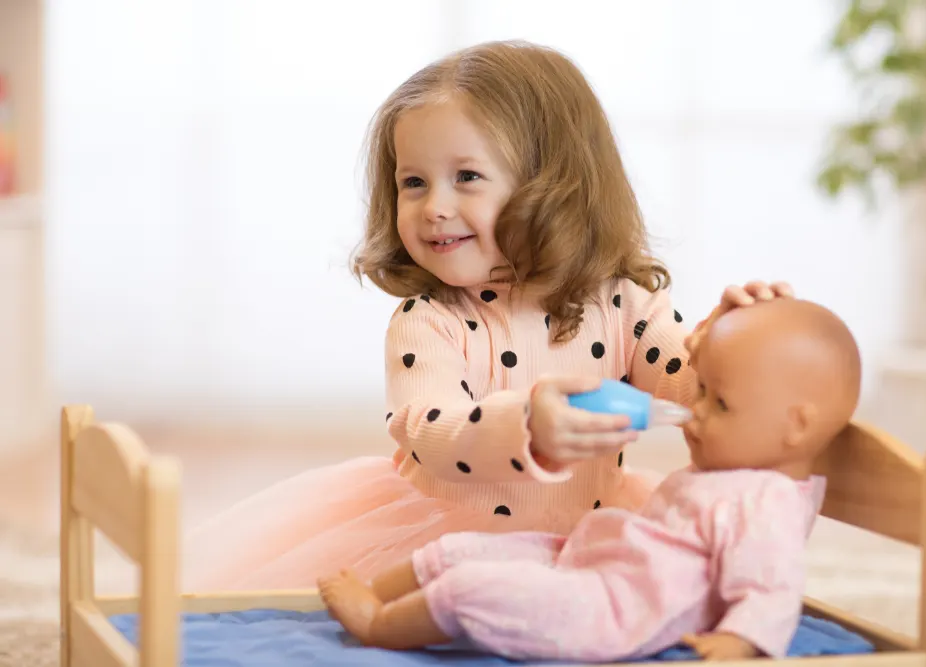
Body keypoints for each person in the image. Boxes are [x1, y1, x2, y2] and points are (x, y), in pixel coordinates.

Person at [181, 39, 793, 591]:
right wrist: (527, 425)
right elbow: (427, 428)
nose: (433, 208)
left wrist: (741, 340)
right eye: (413, 183)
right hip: (453, 546)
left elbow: (688, 383)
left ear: (555, 185)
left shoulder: (622, 301)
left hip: (592, 531)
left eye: (466, 177)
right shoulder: (429, 320)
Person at [318, 298, 862, 662]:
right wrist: (717, 343)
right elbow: (423, 421)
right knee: (459, 550)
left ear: (795, 427)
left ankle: (378, 626)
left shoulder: (764, 502)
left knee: (474, 588)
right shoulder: (739, 472)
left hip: (614, 608)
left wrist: (739, 642)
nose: (695, 412)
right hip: (590, 560)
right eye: (701, 392)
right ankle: (373, 595)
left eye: (718, 402)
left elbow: (771, 585)